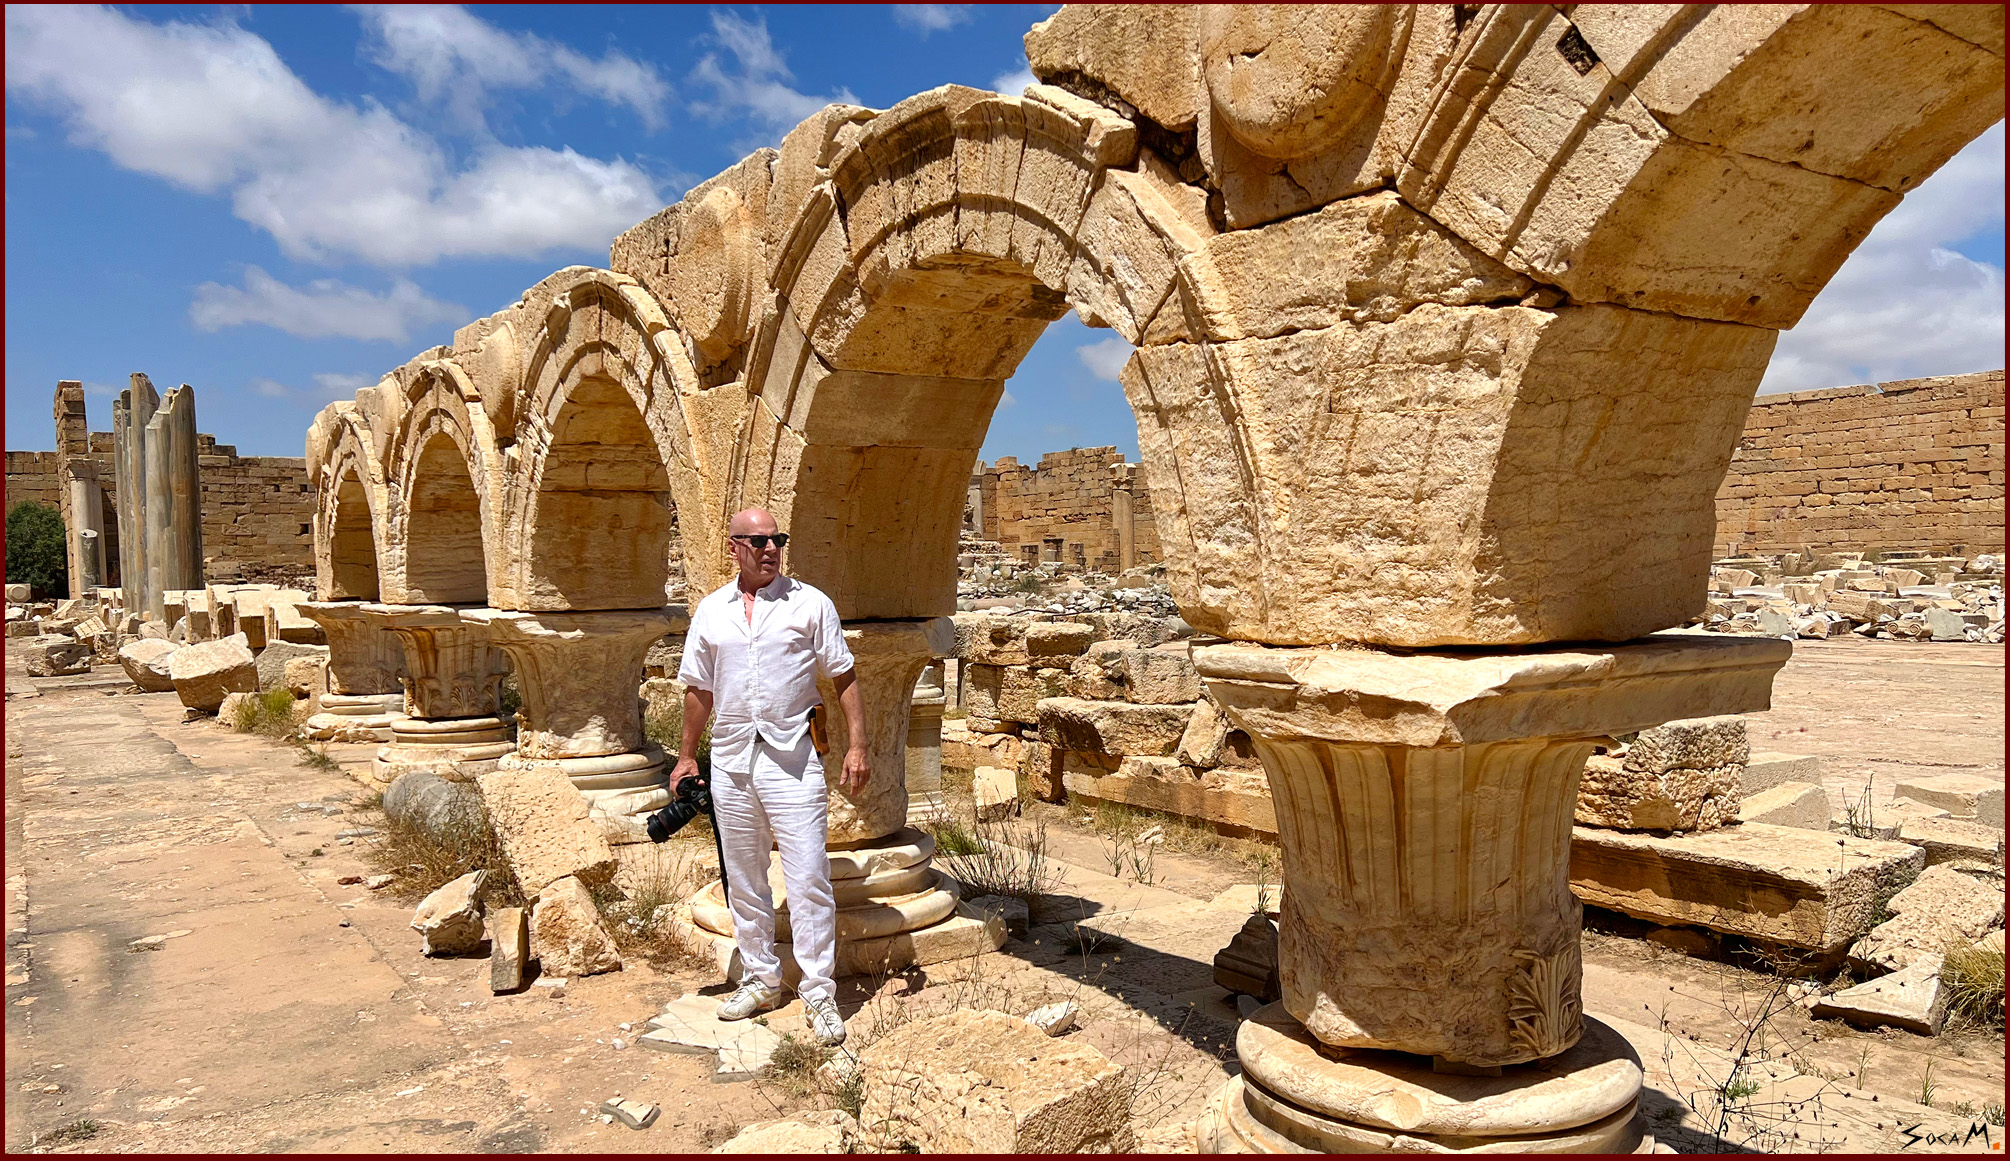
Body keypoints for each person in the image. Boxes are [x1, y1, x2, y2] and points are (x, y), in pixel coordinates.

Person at [671, 508, 869, 1047]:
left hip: (793, 757)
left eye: (776, 539)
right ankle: (761, 978)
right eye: (757, 540)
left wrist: (857, 743)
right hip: (732, 760)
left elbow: (843, 672)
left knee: (807, 874)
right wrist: (688, 755)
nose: (769, 549)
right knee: (743, 875)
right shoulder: (712, 611)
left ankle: (819, 991)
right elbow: (698, 689)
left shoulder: (810, 603)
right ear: (732, 546)